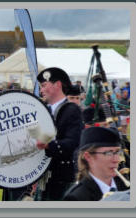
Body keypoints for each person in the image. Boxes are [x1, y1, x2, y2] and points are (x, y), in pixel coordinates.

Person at [35, 67, 84, 200]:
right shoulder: (43, 110)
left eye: (44, 85)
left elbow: (74, 142)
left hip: (63, 178)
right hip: (44, 177)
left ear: (57, 85)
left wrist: (48, 145)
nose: (41, 90)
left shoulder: (72, 110)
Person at [63, 127, 129, 201]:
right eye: (108, 153)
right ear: (88, 157)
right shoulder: (77, 198)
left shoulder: (124, 186)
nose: (117, 160)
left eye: (117, 152)